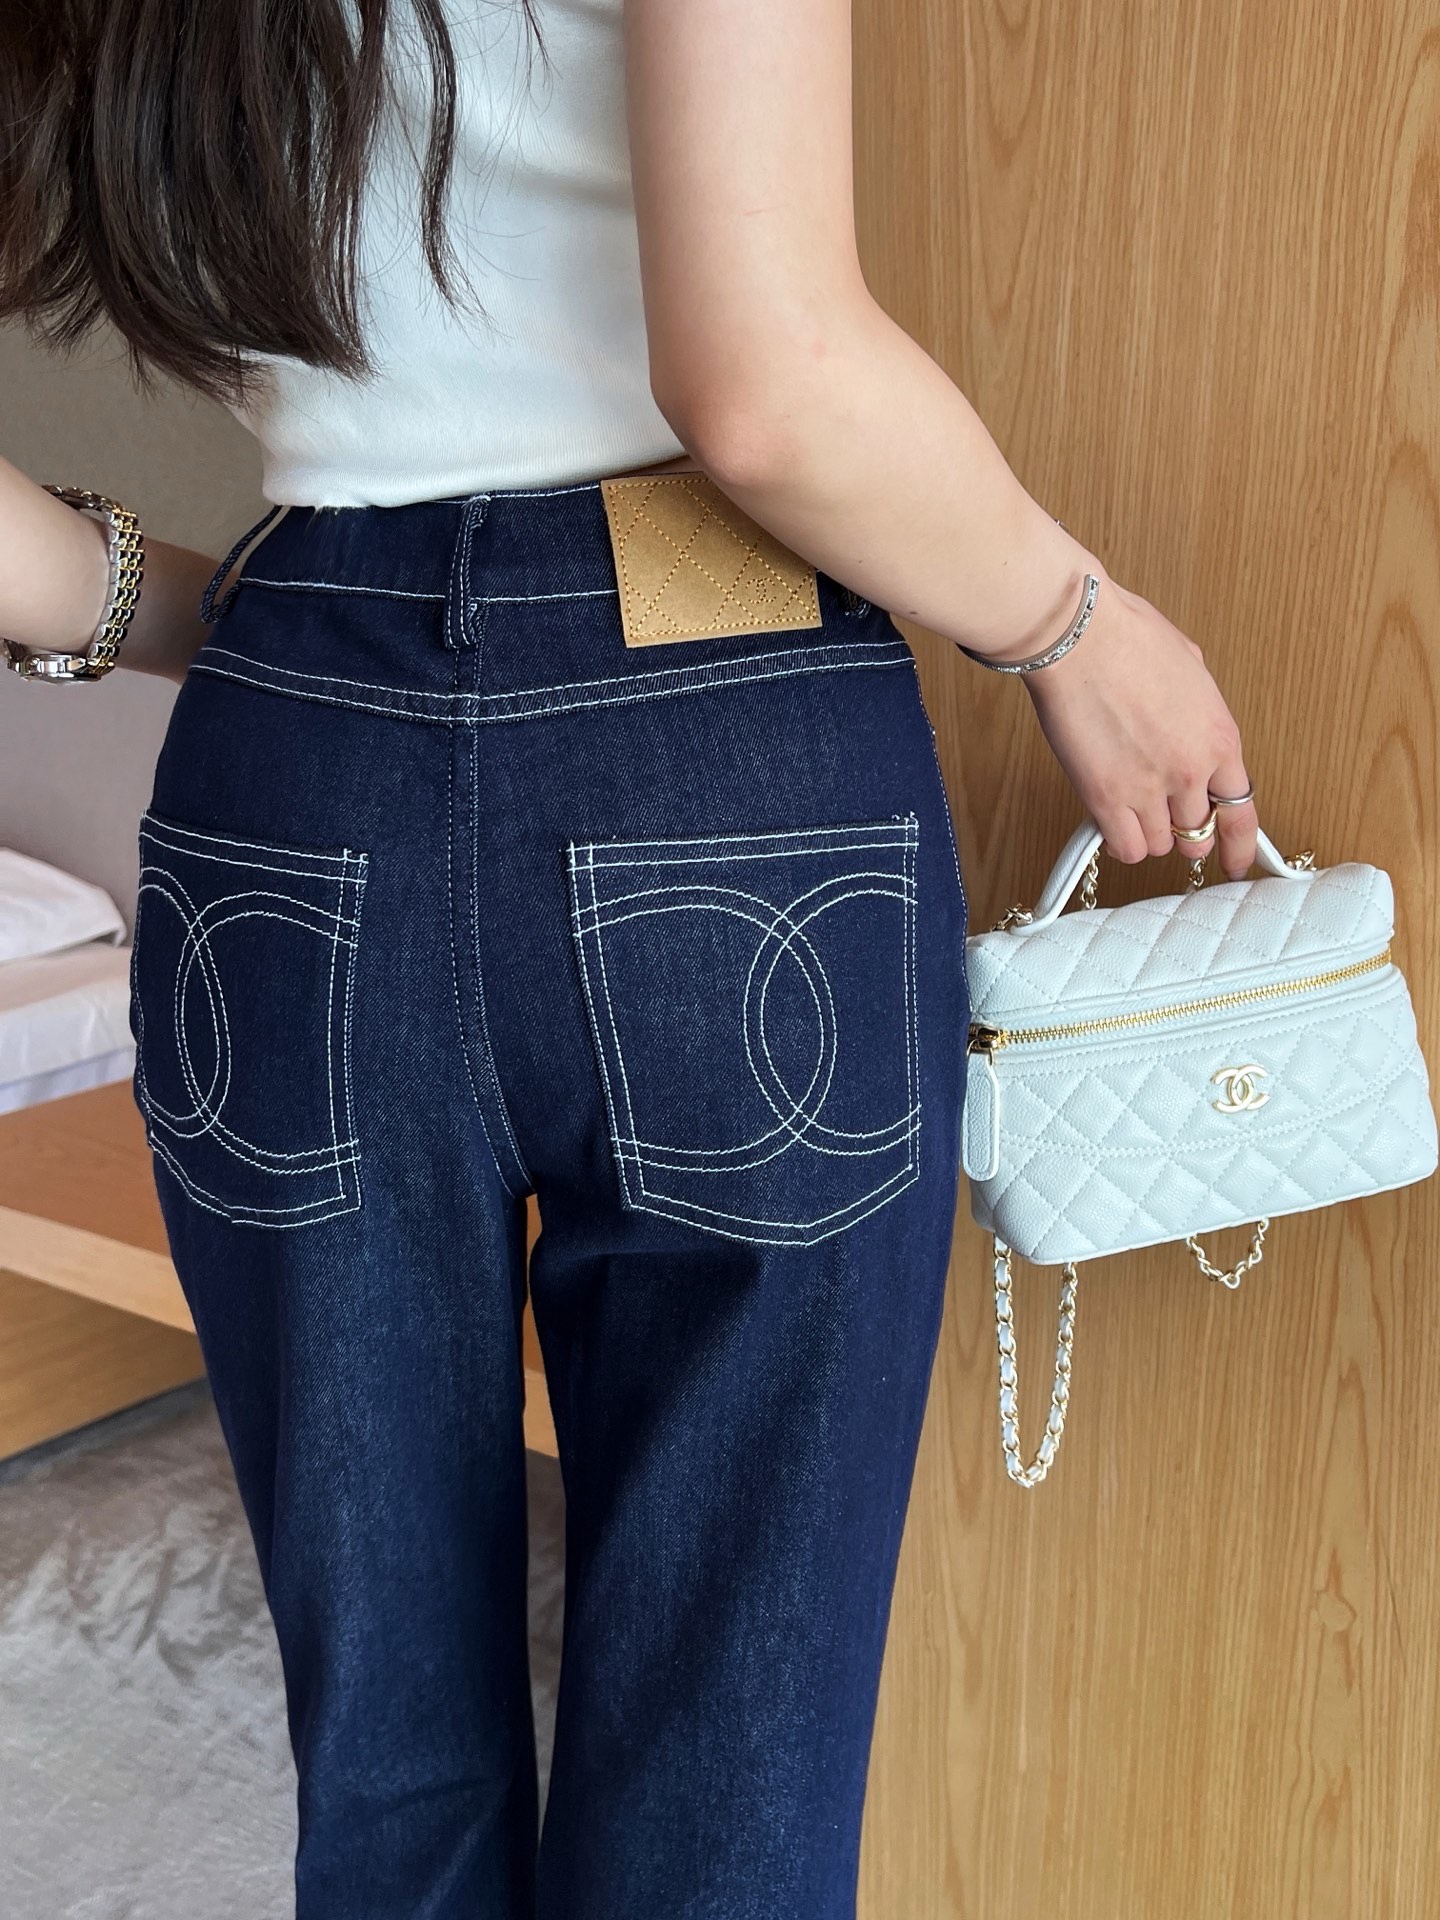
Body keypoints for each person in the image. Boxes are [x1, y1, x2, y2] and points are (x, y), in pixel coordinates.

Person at [0, 1, 1258, 1914]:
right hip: (726, 739)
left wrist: (186, 612)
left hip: (298, 735)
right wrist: (1077, 627)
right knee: (728, 1758)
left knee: (387, 1757)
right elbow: (765, 384)